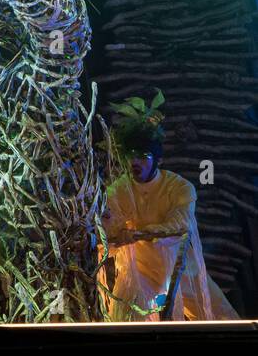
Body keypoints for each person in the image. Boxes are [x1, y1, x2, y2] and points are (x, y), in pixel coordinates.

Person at [102, 95, 238, 321]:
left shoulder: (180, 187)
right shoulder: (119, 190)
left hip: (181, 269)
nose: (135, 163)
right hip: (141, 272)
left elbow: (179, 224)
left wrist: (135, 234)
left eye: (143, 157)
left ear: (158, 161)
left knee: (221, 318)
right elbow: (109, 226)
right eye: (130, 156)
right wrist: (113, 234)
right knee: (124, 321)